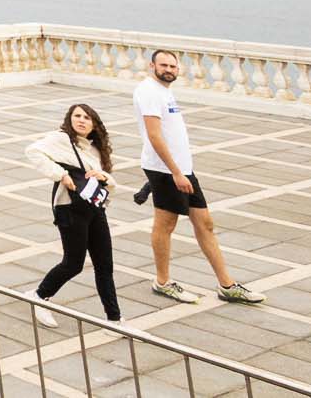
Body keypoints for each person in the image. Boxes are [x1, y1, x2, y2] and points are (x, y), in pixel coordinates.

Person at [136, 49, 266, 304]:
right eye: (163, 65)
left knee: (204, 223)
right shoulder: (149, 91)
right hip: (166, 171)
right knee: (165, 225)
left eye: (173, 66)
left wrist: (182, 171)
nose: (169, 69)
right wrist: (175, 173)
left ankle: (227, 286)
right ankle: (162, 282)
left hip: (182, 170)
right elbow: (154, 135)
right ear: (152, 65)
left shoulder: (164, 90)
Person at [23, 102, 119, 326]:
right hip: (69, 207)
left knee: (105, 266)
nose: (81, 120)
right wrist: (60, 174)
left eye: (87, 117)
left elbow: (108, 183)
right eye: (77, 116)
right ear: (70, 118)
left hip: (94, 208)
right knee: (74, 262)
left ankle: (114, 319)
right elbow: (33, 151)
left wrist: (105, 178)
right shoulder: (61, 139)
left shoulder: (95, 148)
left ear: (94, 124)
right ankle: (40, 296)